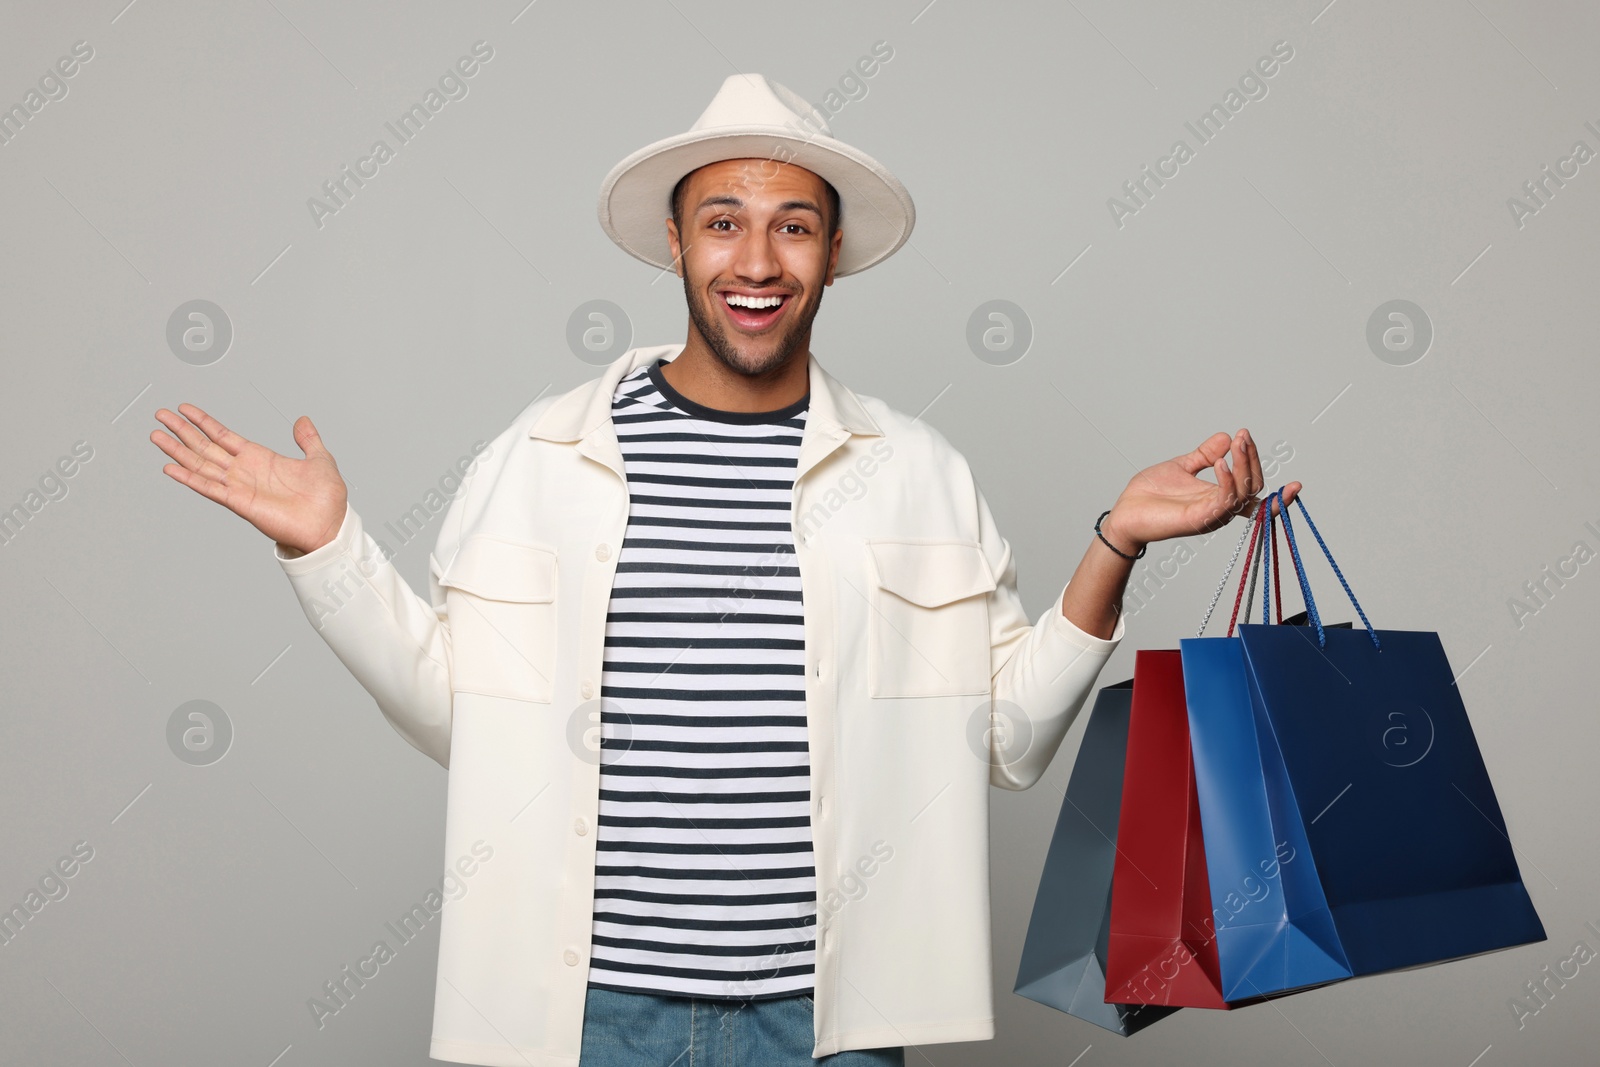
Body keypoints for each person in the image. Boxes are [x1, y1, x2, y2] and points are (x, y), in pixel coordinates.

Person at [150, 74, 1298, 1067]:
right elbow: (459, 710)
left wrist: (1117, 541)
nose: (756, 261)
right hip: (591, 1016)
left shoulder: (913, 471)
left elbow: (1004, 739)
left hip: (829, 1021)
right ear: (675, 242)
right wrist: (327, 549)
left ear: (834, 251)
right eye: (722, 223)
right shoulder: (545, 455)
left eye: (793, 226)